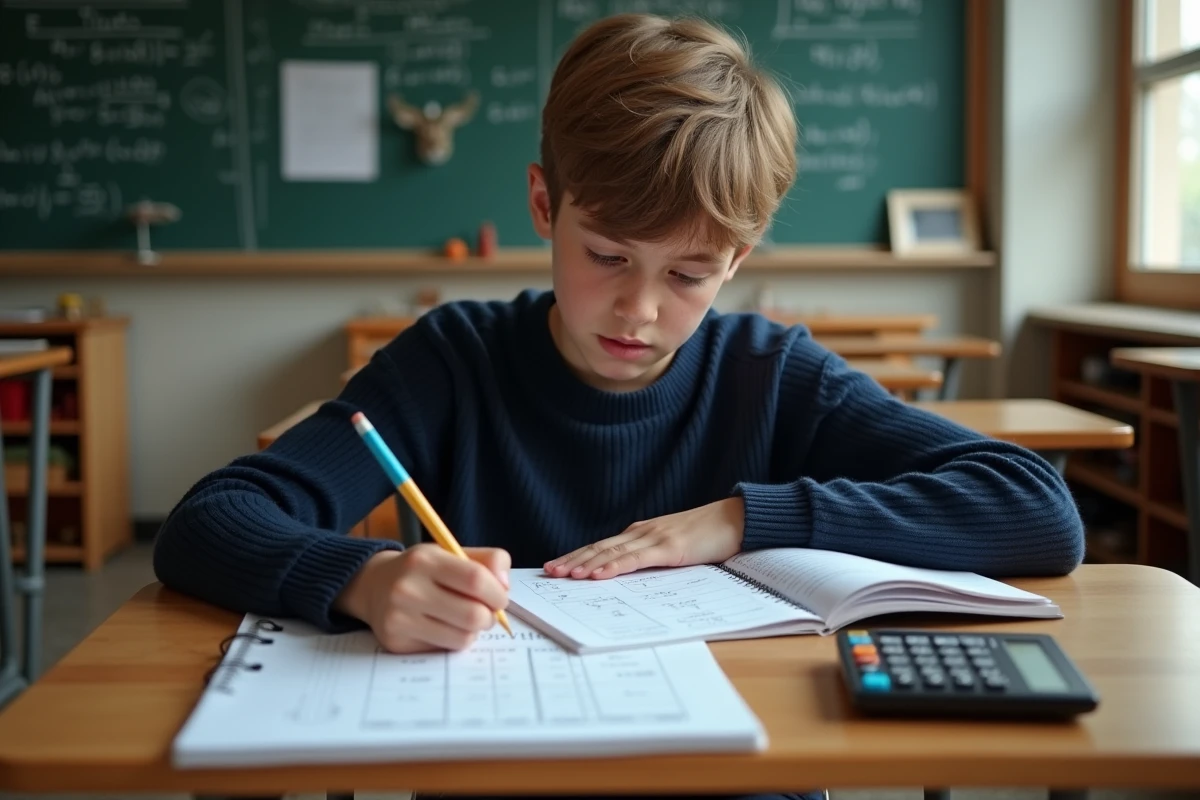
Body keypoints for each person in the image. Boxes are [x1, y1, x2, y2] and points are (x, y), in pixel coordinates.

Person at [154, 13, 1084, 800]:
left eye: (687, 274)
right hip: (516, 774)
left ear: (738, 262)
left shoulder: (771, 373)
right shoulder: (453, 361)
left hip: (737, 774)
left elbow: (1035, 504)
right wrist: (360, 579)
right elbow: (208, 522)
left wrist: (740, 519)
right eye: (606, 255)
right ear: (544, 205)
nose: (639, 310)